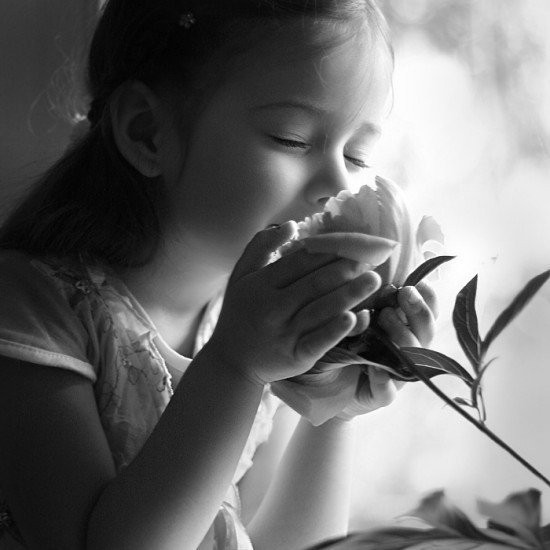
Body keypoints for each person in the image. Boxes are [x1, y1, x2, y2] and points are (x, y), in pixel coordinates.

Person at [0, 1, 436, 549]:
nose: (339, 183)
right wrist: (234, 366)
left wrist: (332, 412)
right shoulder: (32, 306)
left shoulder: (253, 328)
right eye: (293, 139)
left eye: (358, 154)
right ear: (147, 132)